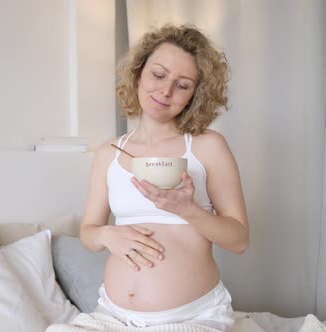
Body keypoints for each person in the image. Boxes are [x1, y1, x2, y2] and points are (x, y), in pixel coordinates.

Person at [79, 24, 249, 331]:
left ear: (195, 95)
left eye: (182, 85)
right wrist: (106, 235)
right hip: (111, 317)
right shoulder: (109, 153)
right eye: (158, 75)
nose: (166, 91)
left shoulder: (207, 147)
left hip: (190, 318)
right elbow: (88, 233)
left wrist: (188, 210)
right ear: (138, 73)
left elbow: (239, 240)